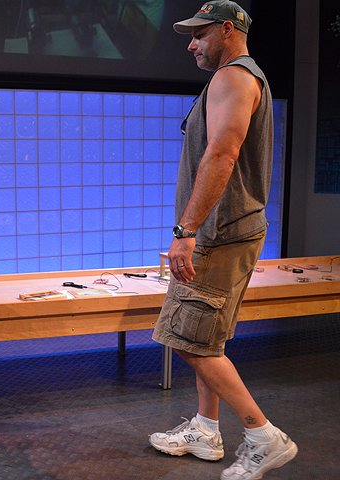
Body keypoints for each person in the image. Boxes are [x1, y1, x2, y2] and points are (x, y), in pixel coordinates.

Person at [147, 2, 298, 479]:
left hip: (219, 234)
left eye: (200, 35)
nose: (191, 45)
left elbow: (222, 154)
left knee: (188, 341)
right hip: (229, 231)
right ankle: (205, 429)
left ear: (228, 30)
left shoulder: (233, 77)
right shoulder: (240, 78)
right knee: (206, 337)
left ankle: (263, 436)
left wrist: (187, 232)